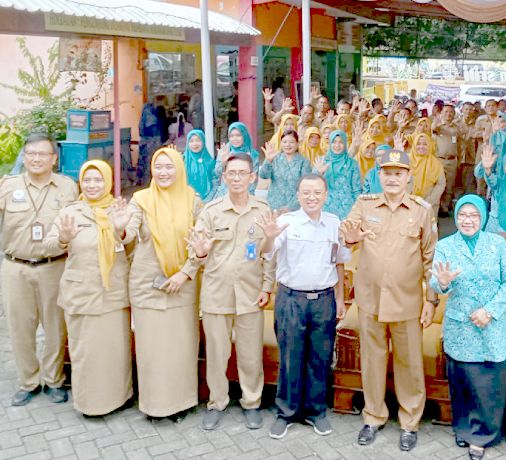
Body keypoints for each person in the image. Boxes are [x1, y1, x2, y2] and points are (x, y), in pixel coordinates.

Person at [340, 148, 438, 452]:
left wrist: (430, 300)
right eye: (387, 172)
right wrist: (351, 236)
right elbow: (348, 232)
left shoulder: (421, 211)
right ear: (378, 175)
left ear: (408, 177)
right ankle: (373, 416)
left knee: (409, 363)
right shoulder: (364, 203)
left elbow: (430, 259)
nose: (393, 178)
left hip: (407, 301)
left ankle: (409, 421)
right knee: (372, 360)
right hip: (370, 298)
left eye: (399, 173)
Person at [186, 153, 275, 431]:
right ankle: (217, 402)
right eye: (231, 173)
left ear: (252, 177)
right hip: (216, 293)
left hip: (250, 293)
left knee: (250, 354)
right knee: (217, 353)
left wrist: (266, 287)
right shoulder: (210, 211)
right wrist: (199, 252)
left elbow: (268, 254)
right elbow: (196, 250)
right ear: (224, 178)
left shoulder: (262, 209)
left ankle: (252, 402)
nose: (236, 178)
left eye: (242, 173)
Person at [260, 173, 351, 439]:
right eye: (306, 193)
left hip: (324, 300)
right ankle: (286, 412)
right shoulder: (286, 223)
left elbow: (340, 263)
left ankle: (315, 412)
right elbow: (267, 250)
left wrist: (340, 298)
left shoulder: (334, 224)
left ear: (326, 195)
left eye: (317, 193)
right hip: (290, 300)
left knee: (319, 358)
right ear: (298, 196)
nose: (312, 198)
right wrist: (267, 236)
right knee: (290, 357)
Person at [429, 194, 506, 460]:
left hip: (492, 324)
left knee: (490, 381)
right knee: (464, 380)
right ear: (455, 217)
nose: (468, 221)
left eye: (474, 216)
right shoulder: (445, 245)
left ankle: (484, 435)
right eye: (462, 216)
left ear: (483, 217)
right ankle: (465, 431)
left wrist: (489, 311)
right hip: (462, 325)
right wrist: (442, 283)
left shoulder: (497, 244)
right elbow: (436, 283)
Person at [117, 148, 203, 421]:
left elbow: (201, 240)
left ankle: (182, 401)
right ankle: (155, 405)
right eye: (158, 166)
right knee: (152, 349)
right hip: (148, 286)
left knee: (181, 347)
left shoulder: (192, 199)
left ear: (179, 168)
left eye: (170, 166)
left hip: (183, 285)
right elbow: (129, 233)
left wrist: (185, 272)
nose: (164, 172)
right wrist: (119, 228)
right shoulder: (140, 200)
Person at [44, 160, 133, 416]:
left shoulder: (116, 209)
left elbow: (132, 249)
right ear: (80, 182)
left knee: (114, 351)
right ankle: (89, 404)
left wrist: (121, 230)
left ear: (108, 182)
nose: (92, 185)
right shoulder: (70, 212)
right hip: (80, 294)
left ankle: (119, 397)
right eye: (87, 180)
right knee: (86, 352)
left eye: (99, 180)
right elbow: (49, 246)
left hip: (113, 293)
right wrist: (64, 238)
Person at [0, 133, 78, 406]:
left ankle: (54, 380)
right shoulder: (8, 187)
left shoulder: (68, 188)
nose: (35, 158)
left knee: (56, 327)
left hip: (54, 267)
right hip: (15, 268)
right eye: (30, 153)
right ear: (23, 156)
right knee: (20, 328)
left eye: (42, 153)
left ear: (54, 158)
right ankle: (28, 381)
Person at [312, 130, 361, 220]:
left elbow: (356, 189)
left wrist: (356, 211)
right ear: (330, 143)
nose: (337, 146)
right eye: (334, 142)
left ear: (345, 144)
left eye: (341, 142)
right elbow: (312, 185)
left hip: (346, 209)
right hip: (325, 208)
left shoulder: (352, 163)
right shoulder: (322, 161)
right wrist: (319, 173)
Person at [260, 131, 312, 213]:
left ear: (297, 144)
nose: (288, 145)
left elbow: (306, 186)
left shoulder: (303, 162)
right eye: (284, 142)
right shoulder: (275, 159)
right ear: (281, 143)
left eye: (291, 142)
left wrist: (291, 207)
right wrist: (268, 160)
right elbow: (263, 175)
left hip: (295, 208)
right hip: (274, 206)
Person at [213, 122, 260, 198]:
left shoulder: (253, 154)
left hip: (245, 195)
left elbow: (253, 179)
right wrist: (223, 163)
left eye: (238, 135)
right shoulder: (225, 151)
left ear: (244, 136)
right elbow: (217, 173)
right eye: (231, 136)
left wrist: (246, 196)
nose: (234, 139)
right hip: (226, 195)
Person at [407, 132, 446, 215]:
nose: (421, 147)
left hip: (428, 204)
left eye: (425, 144)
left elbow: (441, 183)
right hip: (408, 203)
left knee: (427, 227)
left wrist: (428, 201)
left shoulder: (436, 163)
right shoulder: (406, 160)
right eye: (418, 144)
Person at [431, 105, 461, 213]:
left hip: (452, 160)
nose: (448, 114)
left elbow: (460, 143)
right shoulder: (438, 125)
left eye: (450, 112)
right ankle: (436, 207)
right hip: (439, 159)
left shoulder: (456, 126)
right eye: (446, 112)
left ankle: (445, 207)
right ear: (442, 113)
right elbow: (433, 129)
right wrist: (437, 124)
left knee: (449, 185)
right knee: (438, 183)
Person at [183, 129, 217, 202]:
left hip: (207, 202)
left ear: (203, 142)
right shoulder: (182, 160)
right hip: (185, 201)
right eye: (191, 141)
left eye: (198, 140)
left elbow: (215, 182)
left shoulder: (210, 161)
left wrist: (207, 201)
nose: (195, 144)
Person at [138, 102, 166, 185]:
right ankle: (152, 181)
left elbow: (141, 129)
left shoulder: (143, 118)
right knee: (154, 161)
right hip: (155, 141)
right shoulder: (155, 118)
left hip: (144, 141)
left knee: (145, 162)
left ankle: (146, 181)